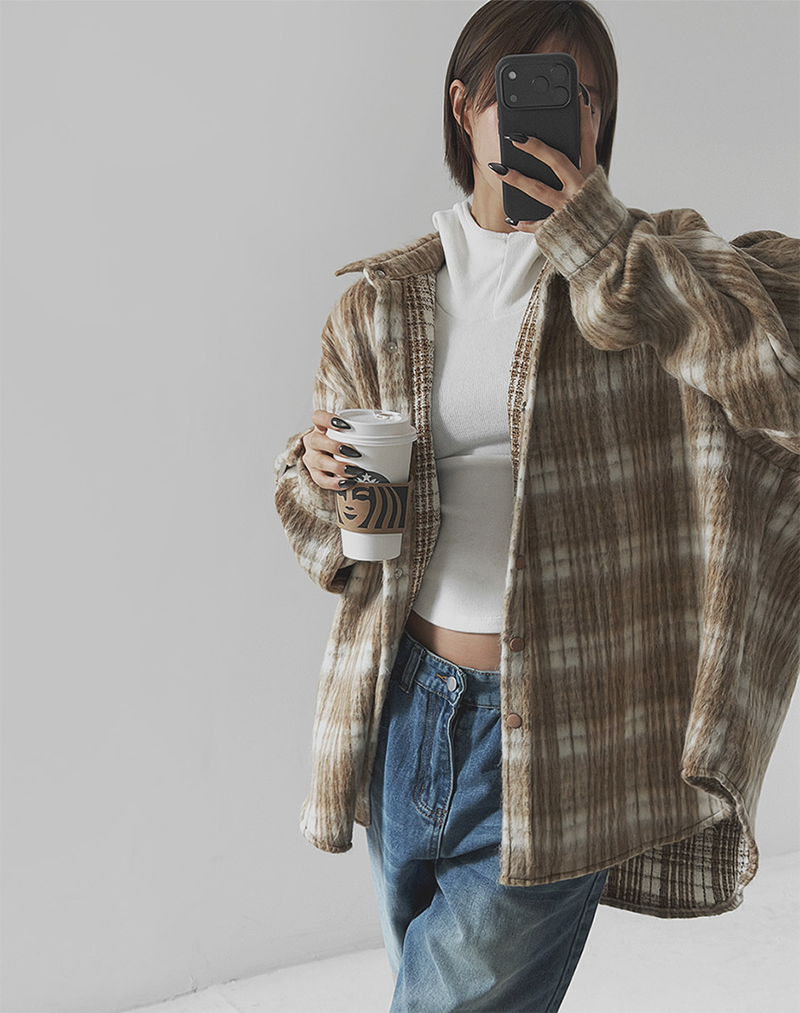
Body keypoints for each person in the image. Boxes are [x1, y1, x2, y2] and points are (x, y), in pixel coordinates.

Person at [273, 1, 800, 1010]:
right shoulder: (379, 303)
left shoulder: (649, 279)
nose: (567, 115)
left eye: (586, 96)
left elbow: (779, 384)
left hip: (565, 725)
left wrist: (598, 243)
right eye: (527, 89)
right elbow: (327, 541)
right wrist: (318, 476)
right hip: (403, 707)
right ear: (464, 106)